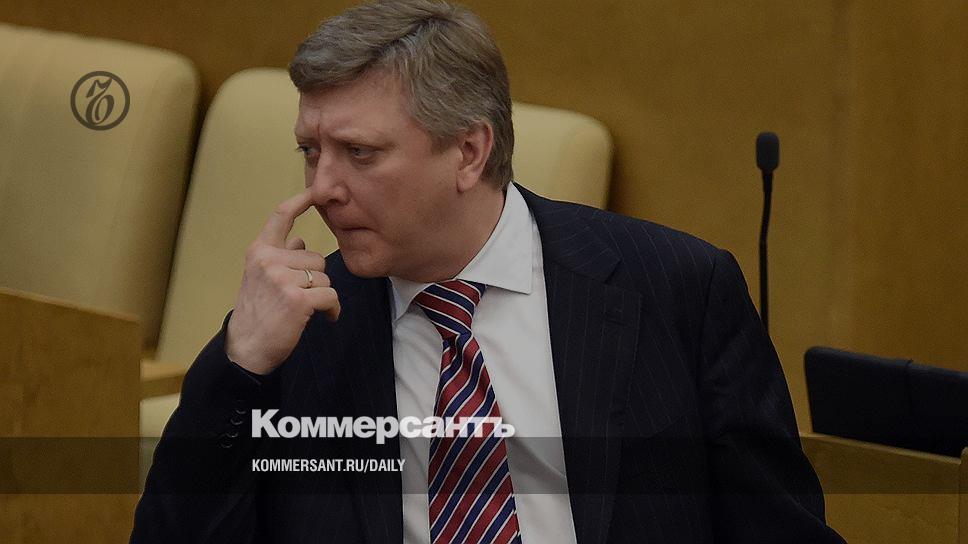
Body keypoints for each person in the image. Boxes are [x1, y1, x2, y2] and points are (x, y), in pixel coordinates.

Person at [132, 1, 845, 542]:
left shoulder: (677, 288)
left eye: (359, 153)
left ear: (469, 153)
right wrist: (241, 364)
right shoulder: (296, 335)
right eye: (310, 153)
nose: (322, 189)